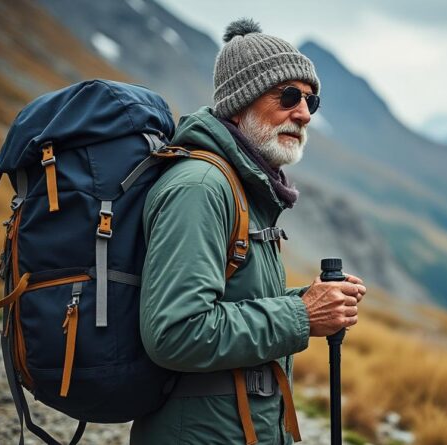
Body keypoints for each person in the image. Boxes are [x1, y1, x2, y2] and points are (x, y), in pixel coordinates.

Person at [130, 18, 367, 444]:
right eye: (288, 96)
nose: (303, 113)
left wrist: (311, 301)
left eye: (312, 101)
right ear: (240, 103)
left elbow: (233, 304)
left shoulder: (243, 187)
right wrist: (302, 314)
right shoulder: (200, 187)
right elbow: (176, 332)